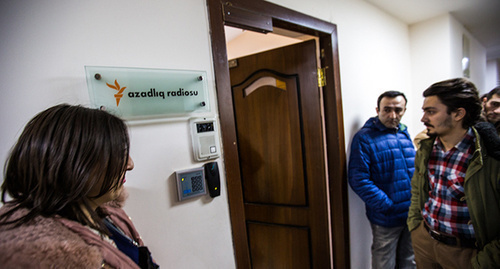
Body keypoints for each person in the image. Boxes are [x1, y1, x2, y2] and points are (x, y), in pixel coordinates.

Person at [0, 104, 158, 268]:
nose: (130, 164)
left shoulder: (104, 215)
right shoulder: (55, 257)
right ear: (73, 164)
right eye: (117, 154)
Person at [408, 78, 500, 268]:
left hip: (466, 254)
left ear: (458, 114)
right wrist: (416, 227)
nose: (423, 119)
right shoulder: (426, 148)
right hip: (426, 242)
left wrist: (485, 261)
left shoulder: (489, 158)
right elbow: (418, 190)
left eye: (431, 112)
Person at [348, 91, 416, 269]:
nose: (393, 115)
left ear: (404, 110)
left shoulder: (404, 133)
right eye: (387, 110)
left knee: (409, 260)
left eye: (398, 110)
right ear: (377, 110)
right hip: (386, 216)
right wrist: (385, 205)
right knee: (384, 262)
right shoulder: (364, 137)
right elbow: (358, 178)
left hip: (411, 213)